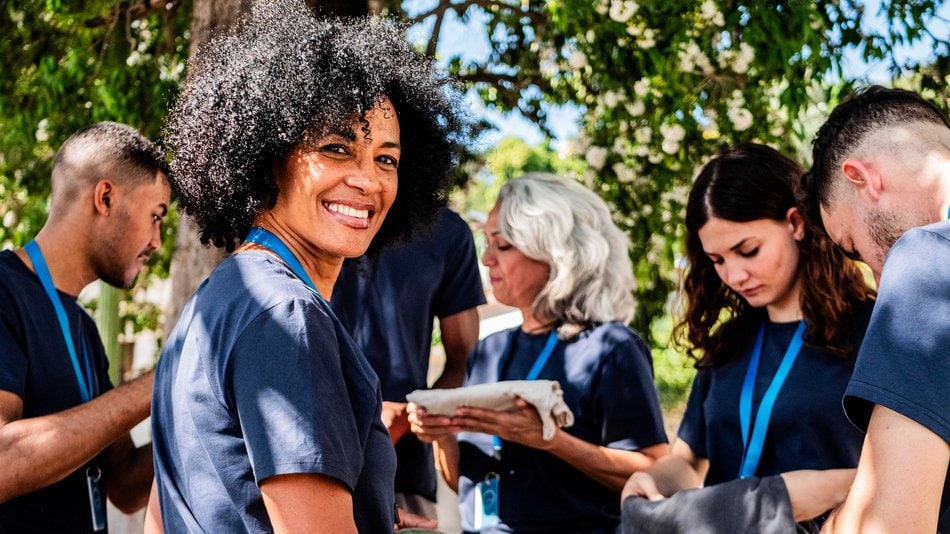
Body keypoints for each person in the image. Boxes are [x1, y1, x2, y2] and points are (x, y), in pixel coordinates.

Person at [148, 2, 467, 532]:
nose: (369, 181)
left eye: (386, 158)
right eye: (338, 148)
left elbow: (168, 514)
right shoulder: (287, 314)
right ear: (270, 155)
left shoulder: (214, 301)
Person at [621, 144, 876, 531]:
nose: (734, 276)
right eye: (718, 260)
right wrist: (652, 480)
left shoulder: (873, 332)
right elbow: (689, 460)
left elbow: (908, 474)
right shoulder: (730, 342)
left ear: (795, 223)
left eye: (748, 250)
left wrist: (808, 492)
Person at [408, 173, 669, 533]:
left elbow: (655, 471)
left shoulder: (610, 347)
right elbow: (465, 482)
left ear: (554, 252)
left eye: (503, 246)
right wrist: (441, 432)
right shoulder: (488, 349)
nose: (485, 260)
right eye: (486, 243)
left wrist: (551, 441)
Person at [0, 121, 169, 532]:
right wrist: (161, 381)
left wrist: (202, 394)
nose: (157, 241)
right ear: (106, 197)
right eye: (155, 215)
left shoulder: (85, 329)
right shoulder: (4, 293)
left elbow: (123, 485)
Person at [800, 86, 950, 533]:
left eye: (854, 250)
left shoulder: (926, 261)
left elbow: (886, 526)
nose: (877, 280)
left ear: (861, 177)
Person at [331, 206, 485, 521]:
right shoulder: (304, 214)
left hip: (404, 471)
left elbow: (466, 359)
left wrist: (413, 411)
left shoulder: (446, 232)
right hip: (308, 460)